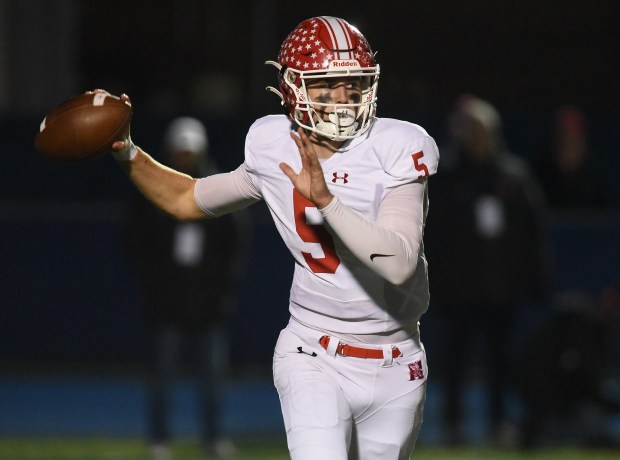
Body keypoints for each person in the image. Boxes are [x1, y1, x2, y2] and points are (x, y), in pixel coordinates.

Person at [104, 16, 439, 460]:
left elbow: (399, 262)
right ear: (292, 89)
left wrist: (326, 202)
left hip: (396, 358)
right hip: (313, 350)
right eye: (327, 84)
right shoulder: (272, 143)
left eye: (352, 83)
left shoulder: (397, 144)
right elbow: (187, 197)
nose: (343, 98)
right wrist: (125, 149)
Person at [424, 94, 548, 446]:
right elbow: (430, 234)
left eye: (482, 131)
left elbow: (532, 233)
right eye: (471, 131)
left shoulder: (513, 177)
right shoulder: (446, 178)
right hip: (458, 290)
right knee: (455, 361)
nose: (477, 139)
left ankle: (497, 423)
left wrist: (534, 279)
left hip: (500, 289)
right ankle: (453, 424)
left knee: (499, 362)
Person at [123, 117, 243, 459]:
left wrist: (221, 291)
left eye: (190, 151)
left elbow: (233, 248)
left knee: (213, 382)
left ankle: (214, 438)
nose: (185, 157)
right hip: (167, 302)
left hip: (209, 304)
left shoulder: (217, 191)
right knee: (162, 378)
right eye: (180, 151)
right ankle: (159, 439)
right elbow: (135, 243)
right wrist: (155, 285)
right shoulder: (150, 194)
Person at [536, 105, 610, 210]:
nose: (569, 147)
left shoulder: (594, 176)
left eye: (574, 141)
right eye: (565, 140)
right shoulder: (542, 175)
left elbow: (603, 217)